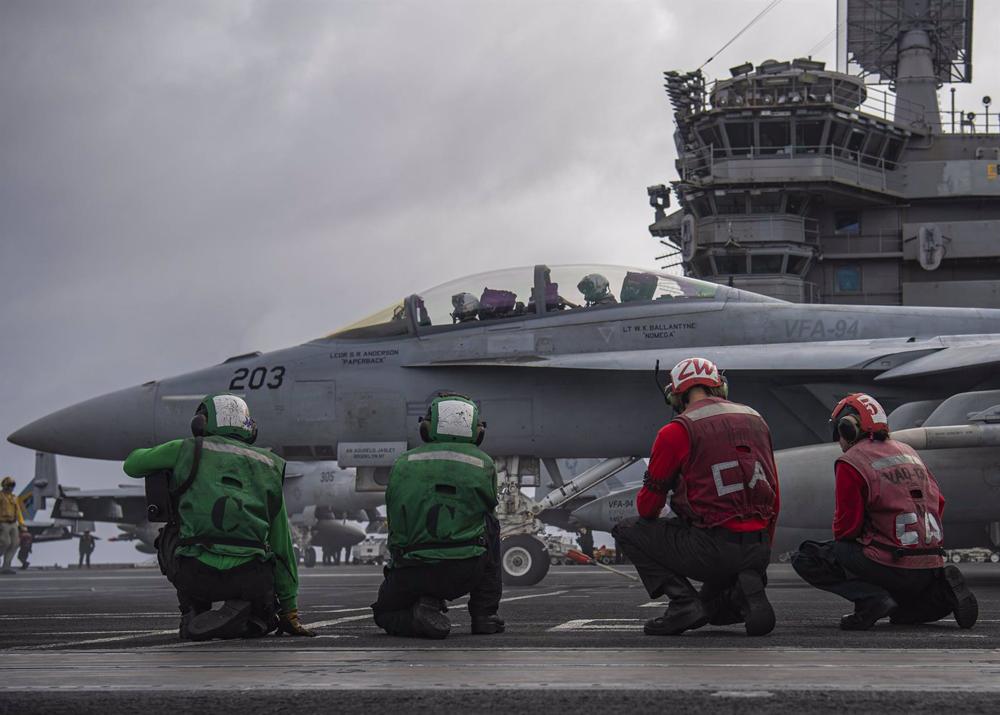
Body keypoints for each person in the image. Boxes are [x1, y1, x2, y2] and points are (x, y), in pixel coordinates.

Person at [123, 393, 315, 640]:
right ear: (250, 428)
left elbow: (132, 465)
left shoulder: (186, 449)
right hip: (250, 578)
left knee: (168, 535)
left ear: (200, 423)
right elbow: (282, 546)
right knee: (264, 618)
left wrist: (164, 453)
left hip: (195, 575)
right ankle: (254, 616)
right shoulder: (271, 465)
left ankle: (192, 611)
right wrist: (290, 610)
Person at [613, 357, 780, 637]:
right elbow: (775, 495)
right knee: (714, 613)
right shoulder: (757, 420)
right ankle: (742, 587)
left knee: (627, 529)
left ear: (674, 395)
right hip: (758, 548)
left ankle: (682, 604)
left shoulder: (677, 430)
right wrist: (761, 552)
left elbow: (647, 508)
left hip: (712, 548)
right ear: (721, 387)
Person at [791, 393, 978, 630]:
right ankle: (940, 593)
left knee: (808, 556)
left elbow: (846, 528)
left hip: (890, 563)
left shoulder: (852, 461)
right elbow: (939, 502)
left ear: (848, 427)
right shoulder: (909, 452)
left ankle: (871, 599)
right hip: (929, 564)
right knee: (901, 616)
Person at [371, 393, 504, 639]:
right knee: (490, 525)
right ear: (477, 431)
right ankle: (484, 615)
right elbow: (487, 513)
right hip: (464, 571)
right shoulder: (483, 464)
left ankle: (418, 616)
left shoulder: (403, 462)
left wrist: (397, 571)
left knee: (384, 614)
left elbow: (396, 528)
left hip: (413, 568)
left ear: (426, 428)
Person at [0, 476, 25, 575]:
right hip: (2, 523)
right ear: (4, 486)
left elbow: (18, 512)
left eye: (12, 485)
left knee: (14, 544)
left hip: (13, 523)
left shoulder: (14, 498)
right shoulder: (0, 496)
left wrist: (22, 524)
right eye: (9, 485)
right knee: (5, 543)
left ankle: (6, 566)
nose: (11, 487)